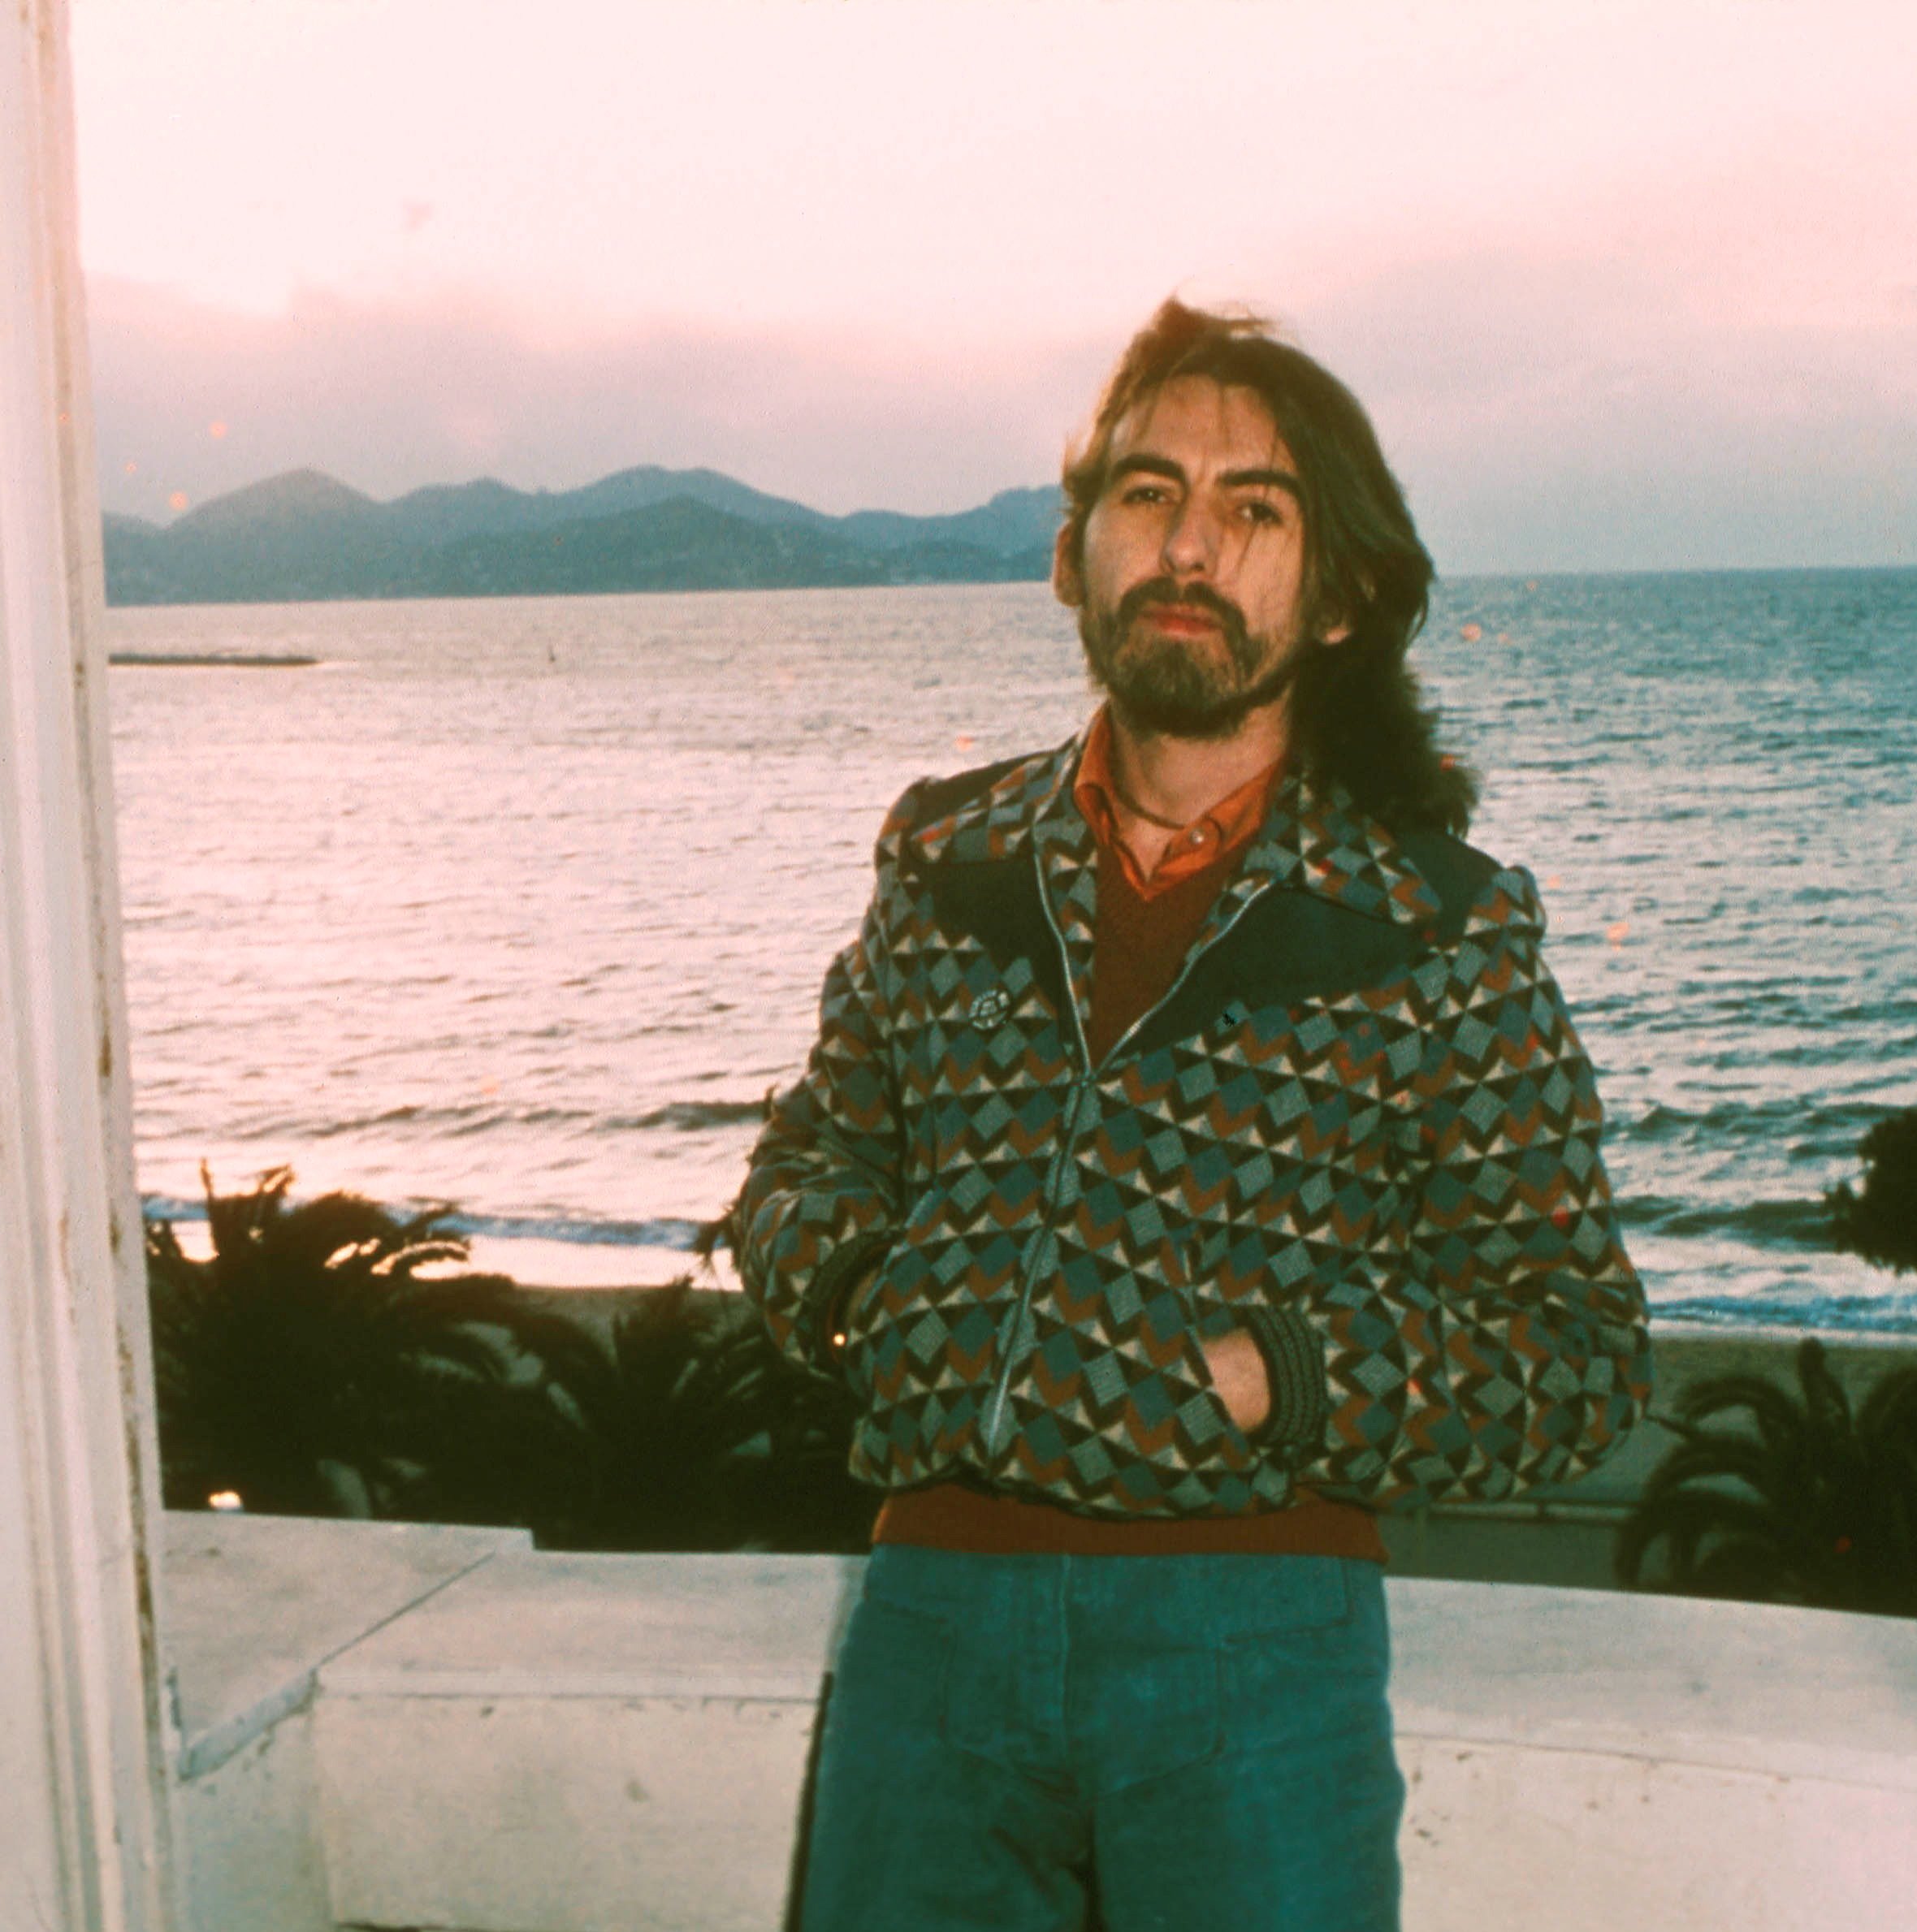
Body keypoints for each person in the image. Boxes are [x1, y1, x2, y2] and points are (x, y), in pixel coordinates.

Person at [728, 296, 1651, 1932]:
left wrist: (1270, 1374)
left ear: (1344, 595)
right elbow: (810, 1161)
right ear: (1071, 555)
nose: (1191, 544)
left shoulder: (1437, 925)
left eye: (1255, 508)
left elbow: (1573, 1348)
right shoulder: (949, 857)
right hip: (931, 1626)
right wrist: (886, 1303)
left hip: (1256, 1646)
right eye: (1148, 495)